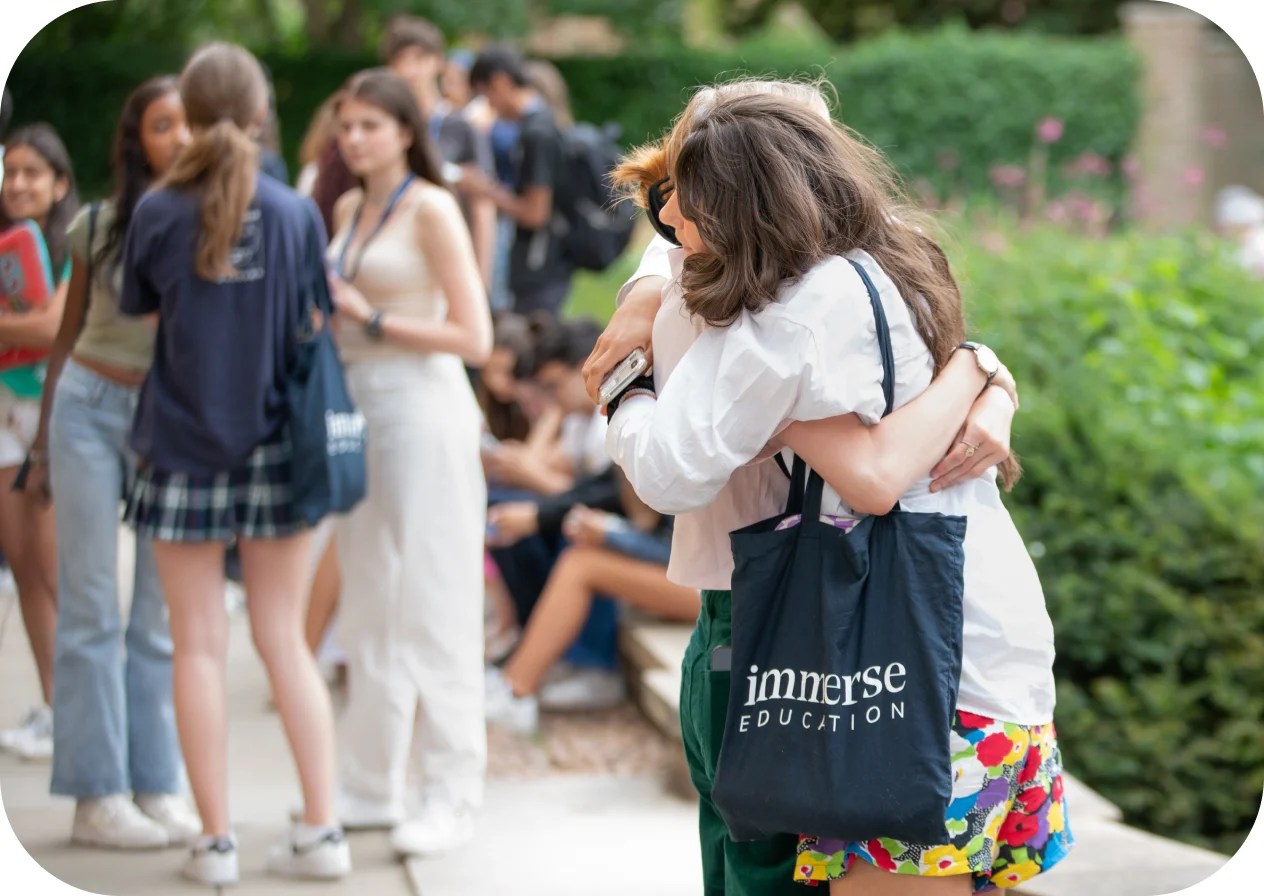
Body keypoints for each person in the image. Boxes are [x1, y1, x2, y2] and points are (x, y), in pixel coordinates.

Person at [605, 86, 1069, 895]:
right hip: (997, 657)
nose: (673, 219)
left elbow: (680, 471)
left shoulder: (783, 314)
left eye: (690, 199)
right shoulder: (892, 267)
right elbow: (880, 459)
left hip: (909, 674)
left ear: (748, 201)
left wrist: (623, 387)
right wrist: (983, 369)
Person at [118, 43, 350, 885]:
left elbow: (146, 317)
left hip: (179, 447)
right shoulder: (296, 214)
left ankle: (215, 845)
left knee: (197, 648)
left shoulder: (154, 211)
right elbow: (313, 320)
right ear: (260, 115)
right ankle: (323, 835)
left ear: (187, 107)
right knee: (284, 639)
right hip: (276, 449)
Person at [24, 76, 200, 850]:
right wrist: (39, 446)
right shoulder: (95, 224)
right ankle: (96, 797)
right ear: (138, 139)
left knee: (158, 618)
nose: (181, 138)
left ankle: (156, 782)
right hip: (90, 410)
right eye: (164, 125)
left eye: (192, 124)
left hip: (168, 425)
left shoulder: (218, 223)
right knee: (92, 609)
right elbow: (68, 338)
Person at [325, 69, 492, 857]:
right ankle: (367, 782)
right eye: (345, 126)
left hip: (423, 406)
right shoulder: (348, 207)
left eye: (369, 125)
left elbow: (476, 338)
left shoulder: (431, 206)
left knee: (435, 596)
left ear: (402, 129)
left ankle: (451, 791)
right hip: (355, 407)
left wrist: (375, 317)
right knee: (368, 598)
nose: (354, 138)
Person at [485, 466, 700, 733]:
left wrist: (611, 533)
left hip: (712, 588)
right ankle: (542, 671)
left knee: (581, 566)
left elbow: (674, 553)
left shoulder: (684, 460)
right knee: (582, 552)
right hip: (692, 576)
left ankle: (516, 692)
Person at [0, 122, 77, 762]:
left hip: (51, 418)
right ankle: (54, 707)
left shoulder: (74, 245)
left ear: (60, 184)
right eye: (11, 170)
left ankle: (83, 711)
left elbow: (53, 324)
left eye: (33, 172)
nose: (19, 182)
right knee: (24, 568)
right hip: (3, 414)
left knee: (56, 572)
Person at [380, 16, 496, 287]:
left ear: (437, 62)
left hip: (452, 250)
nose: (410, 71)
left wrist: (480, 279)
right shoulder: (384, 128)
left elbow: (483, 203)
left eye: (419, 59)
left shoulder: (460, 126)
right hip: (399, 253)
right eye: (400, 61)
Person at [464, 45, 573, 316]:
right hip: (541, 265)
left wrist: (484, 191)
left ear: (500, 83)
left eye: (485, 95)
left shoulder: (537, 132)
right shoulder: (537, 123)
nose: (487, 106)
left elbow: (535, 213)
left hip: (541, 268)